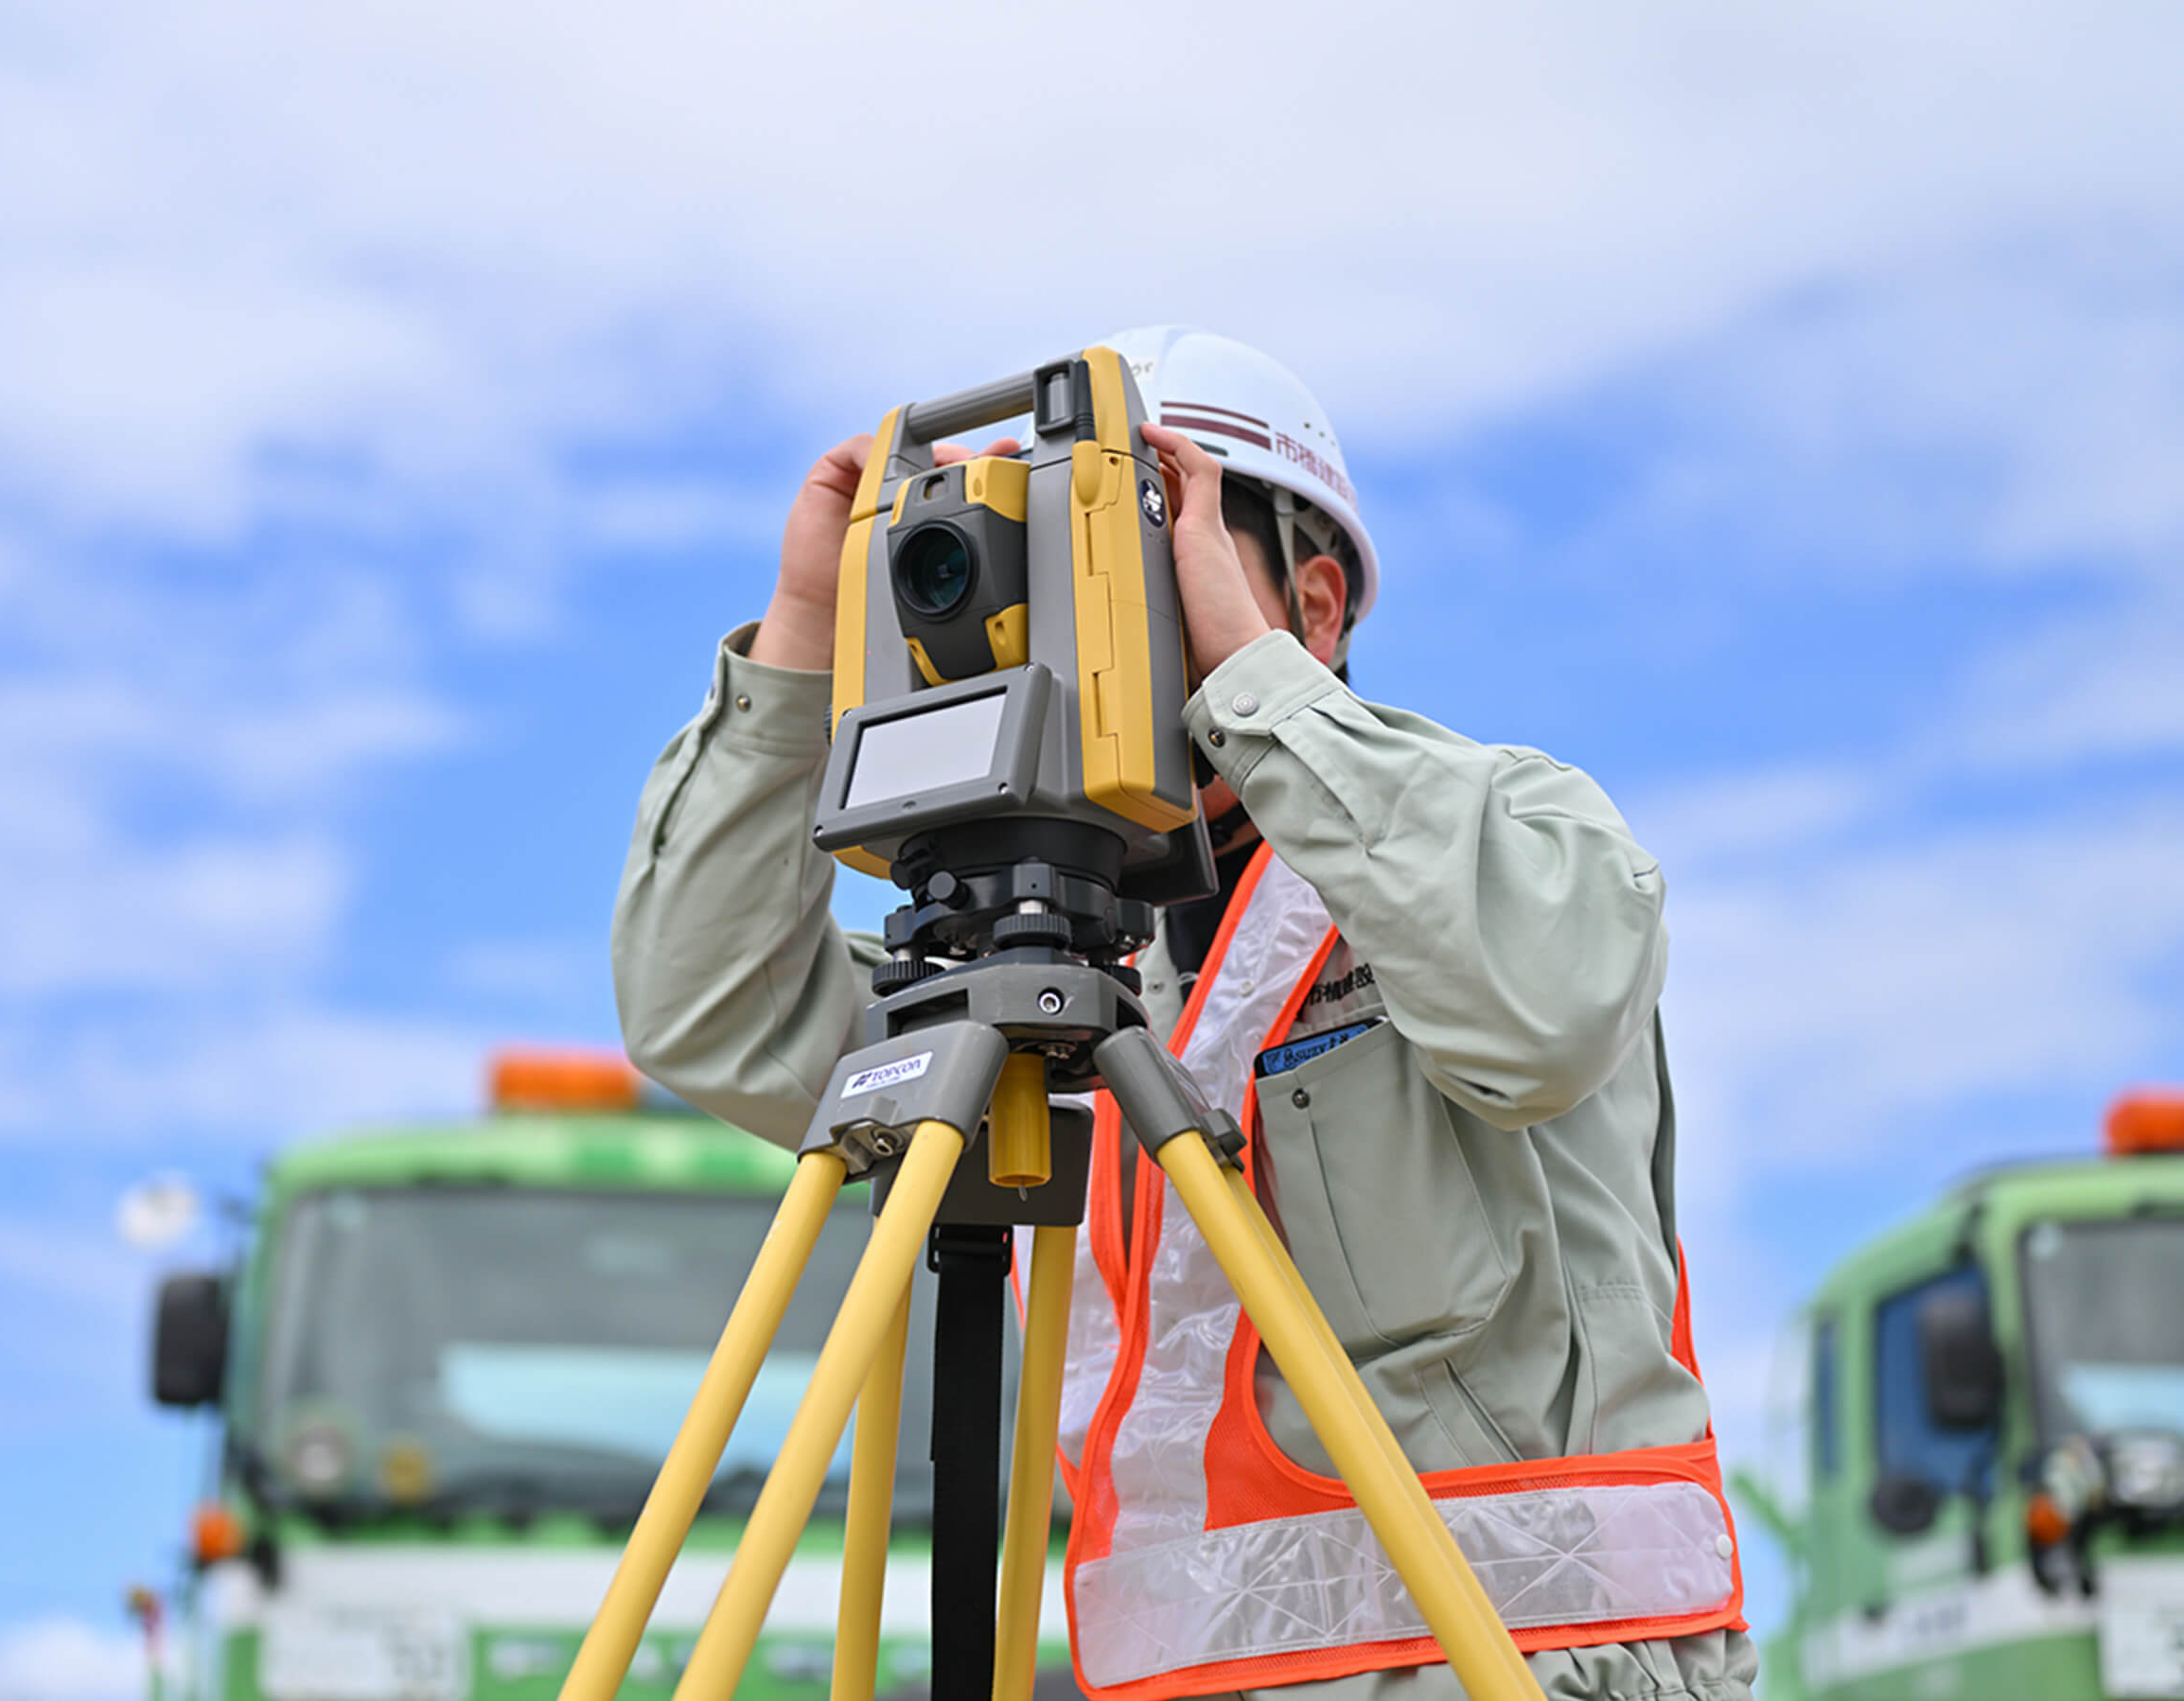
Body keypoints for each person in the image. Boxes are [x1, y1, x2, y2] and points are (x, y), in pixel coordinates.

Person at [612, 326, 1754, 1701]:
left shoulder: (1495, 832)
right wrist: (807, 637)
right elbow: (712, 1010)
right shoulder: (1064, 978)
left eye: (1140, 550)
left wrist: (1251, 687)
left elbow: (1541, 1009)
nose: (1096, 619)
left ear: (1315, 604)